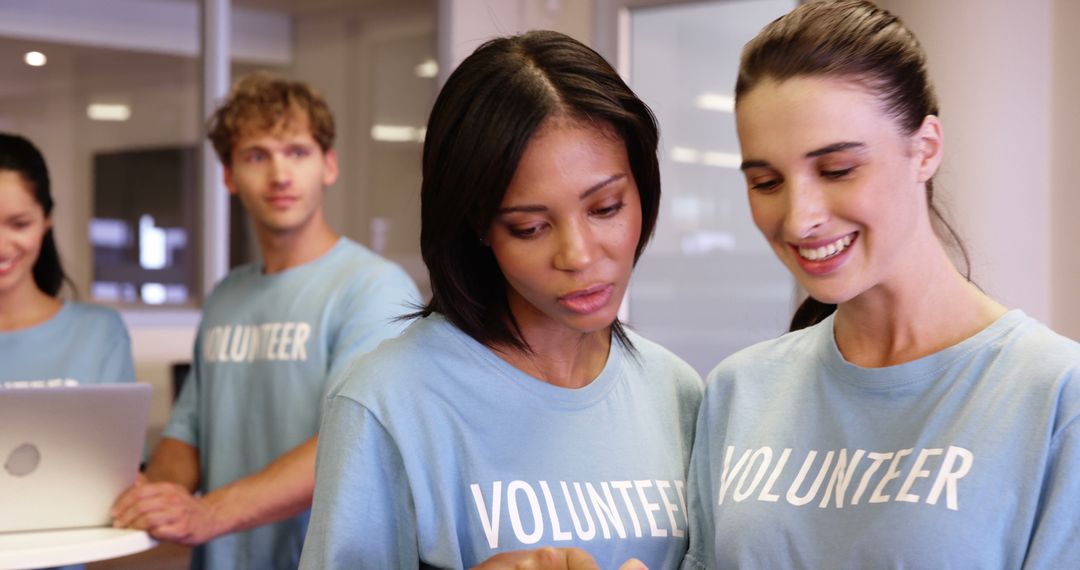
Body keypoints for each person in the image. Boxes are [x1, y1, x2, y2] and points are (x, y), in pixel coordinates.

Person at [683, 1, 1080, 568]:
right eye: (767, 182)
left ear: (926, 149)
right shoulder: (738, 392)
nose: (798, 219)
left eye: (837, 170)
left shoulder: (1055, 398)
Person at [299, 30, 703, 569]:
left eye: (606, 208)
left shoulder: (677, 393)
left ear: (643, 191)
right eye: (530, 227)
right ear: (480, 228)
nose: (578, 255)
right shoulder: (388, 401)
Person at [110, 73, 420, 569]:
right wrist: (146, 501)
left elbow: (349, 445)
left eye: (297, 152)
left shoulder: (374, 289)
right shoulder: (226, 296)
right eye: (257, 155)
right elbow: (186, 437)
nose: (280, 174)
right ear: (229, 176)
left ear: (329, 165)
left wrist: (208, 512)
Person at [0, 132, 134, 388]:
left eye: (19, 224)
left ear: (46, 220)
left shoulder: (99, 333)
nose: (2, 245)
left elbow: (114, 428)